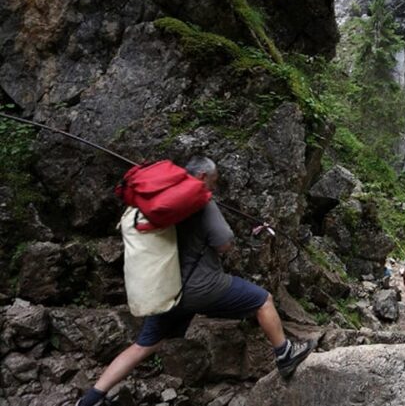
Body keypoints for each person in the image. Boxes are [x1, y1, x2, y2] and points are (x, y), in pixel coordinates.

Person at [76, 157, 315, 406]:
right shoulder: (201, 200)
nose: (213, 187)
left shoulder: (161, 202)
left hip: (167, 289)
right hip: (204, 286)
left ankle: (91, 398)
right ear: (202, 177)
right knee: (263, 300)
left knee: (142, 346)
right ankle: (285, 353)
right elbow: (223, 242)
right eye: (213, 181)